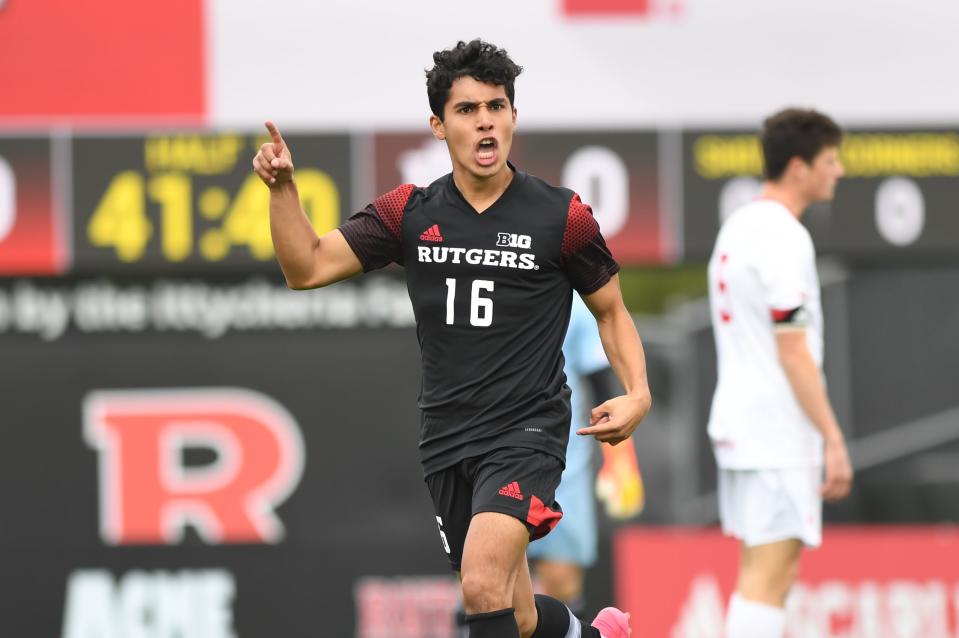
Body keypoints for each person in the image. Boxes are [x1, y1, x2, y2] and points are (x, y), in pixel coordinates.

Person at [253, 39, 651, 638]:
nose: (485, 120)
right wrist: (283, 190)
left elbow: (612, 313)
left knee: (481, 583)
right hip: (447, 439)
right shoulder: (409, 212)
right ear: (439, 125)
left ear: (514, 116)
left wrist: (638, 393)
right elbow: (305, 268)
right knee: (513, 612)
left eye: (496, 105)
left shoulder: (562, 216)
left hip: (528, 431)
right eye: (467, 110)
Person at [706, 107, 854, 638]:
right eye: (831, 160)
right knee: (771, 577)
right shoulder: (783, 236)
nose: (838, 171)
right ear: (799, 167)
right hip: (775, 431)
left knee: (761, 575)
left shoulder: (738, 226)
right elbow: (793, 350)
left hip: (744, 426)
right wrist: (832, 438)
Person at [526, 294, 644, 618]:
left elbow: (602, 385)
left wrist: (621, 462)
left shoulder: (572, 302)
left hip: (563, 466)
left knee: (562, 582)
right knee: (488, 581)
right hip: (490, 454)